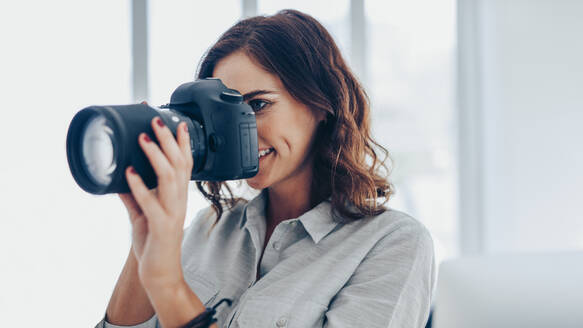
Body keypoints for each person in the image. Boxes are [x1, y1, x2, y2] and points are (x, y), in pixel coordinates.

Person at [96, 9, 436, 328]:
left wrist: (168, 285)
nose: (237, 133)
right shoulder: (207, 230)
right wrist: (144, 241)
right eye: (224, 115)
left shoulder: (393, 243)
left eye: (258, 105)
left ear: (322, 103)